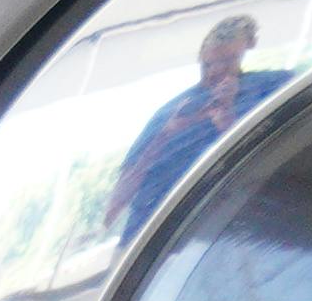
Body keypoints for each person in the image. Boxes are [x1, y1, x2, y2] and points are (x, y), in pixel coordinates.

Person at [115, 13, 282, 236]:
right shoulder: (169, 113)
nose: (215, 72)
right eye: (208, 64)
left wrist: (228, 117)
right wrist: (165, 135)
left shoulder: (268, 89)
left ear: (245, 54)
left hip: (233, 231)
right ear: (200, 58)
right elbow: (116, 205)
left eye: (229, 62)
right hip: (153, 238)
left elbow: (275, 158)